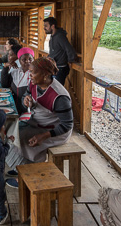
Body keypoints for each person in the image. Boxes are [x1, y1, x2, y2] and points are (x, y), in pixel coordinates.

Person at [5, 56, 73, 188]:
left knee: (22, 139)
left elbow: (67, 125)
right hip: (37, 122)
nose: (30, 75)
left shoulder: (59, 96)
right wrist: (26, 101)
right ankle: (21, 167)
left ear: (46, 75)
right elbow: (25, 96)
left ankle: (27, 176)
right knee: (10, 131)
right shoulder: (34, 83)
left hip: (54, 131)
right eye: (29, 72)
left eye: (33, 72)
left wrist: (44, 136)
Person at [43, 16, 77, 86]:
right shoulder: (53, 36)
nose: (44, 28)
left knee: (57, 89)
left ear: (52, 26)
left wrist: (70, 61)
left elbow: (69, 49)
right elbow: (54, 51)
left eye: (46, 26)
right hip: (54, 68)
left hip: (60, 68)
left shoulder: (60, 36)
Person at [0, 44, 30, 115]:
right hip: (14, 107)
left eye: (30, 59)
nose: (27, 61)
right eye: (24, 60)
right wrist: (5, 68)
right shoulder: (15, 70)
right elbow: (5, 84)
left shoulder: (33, 75)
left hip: (25, 111)